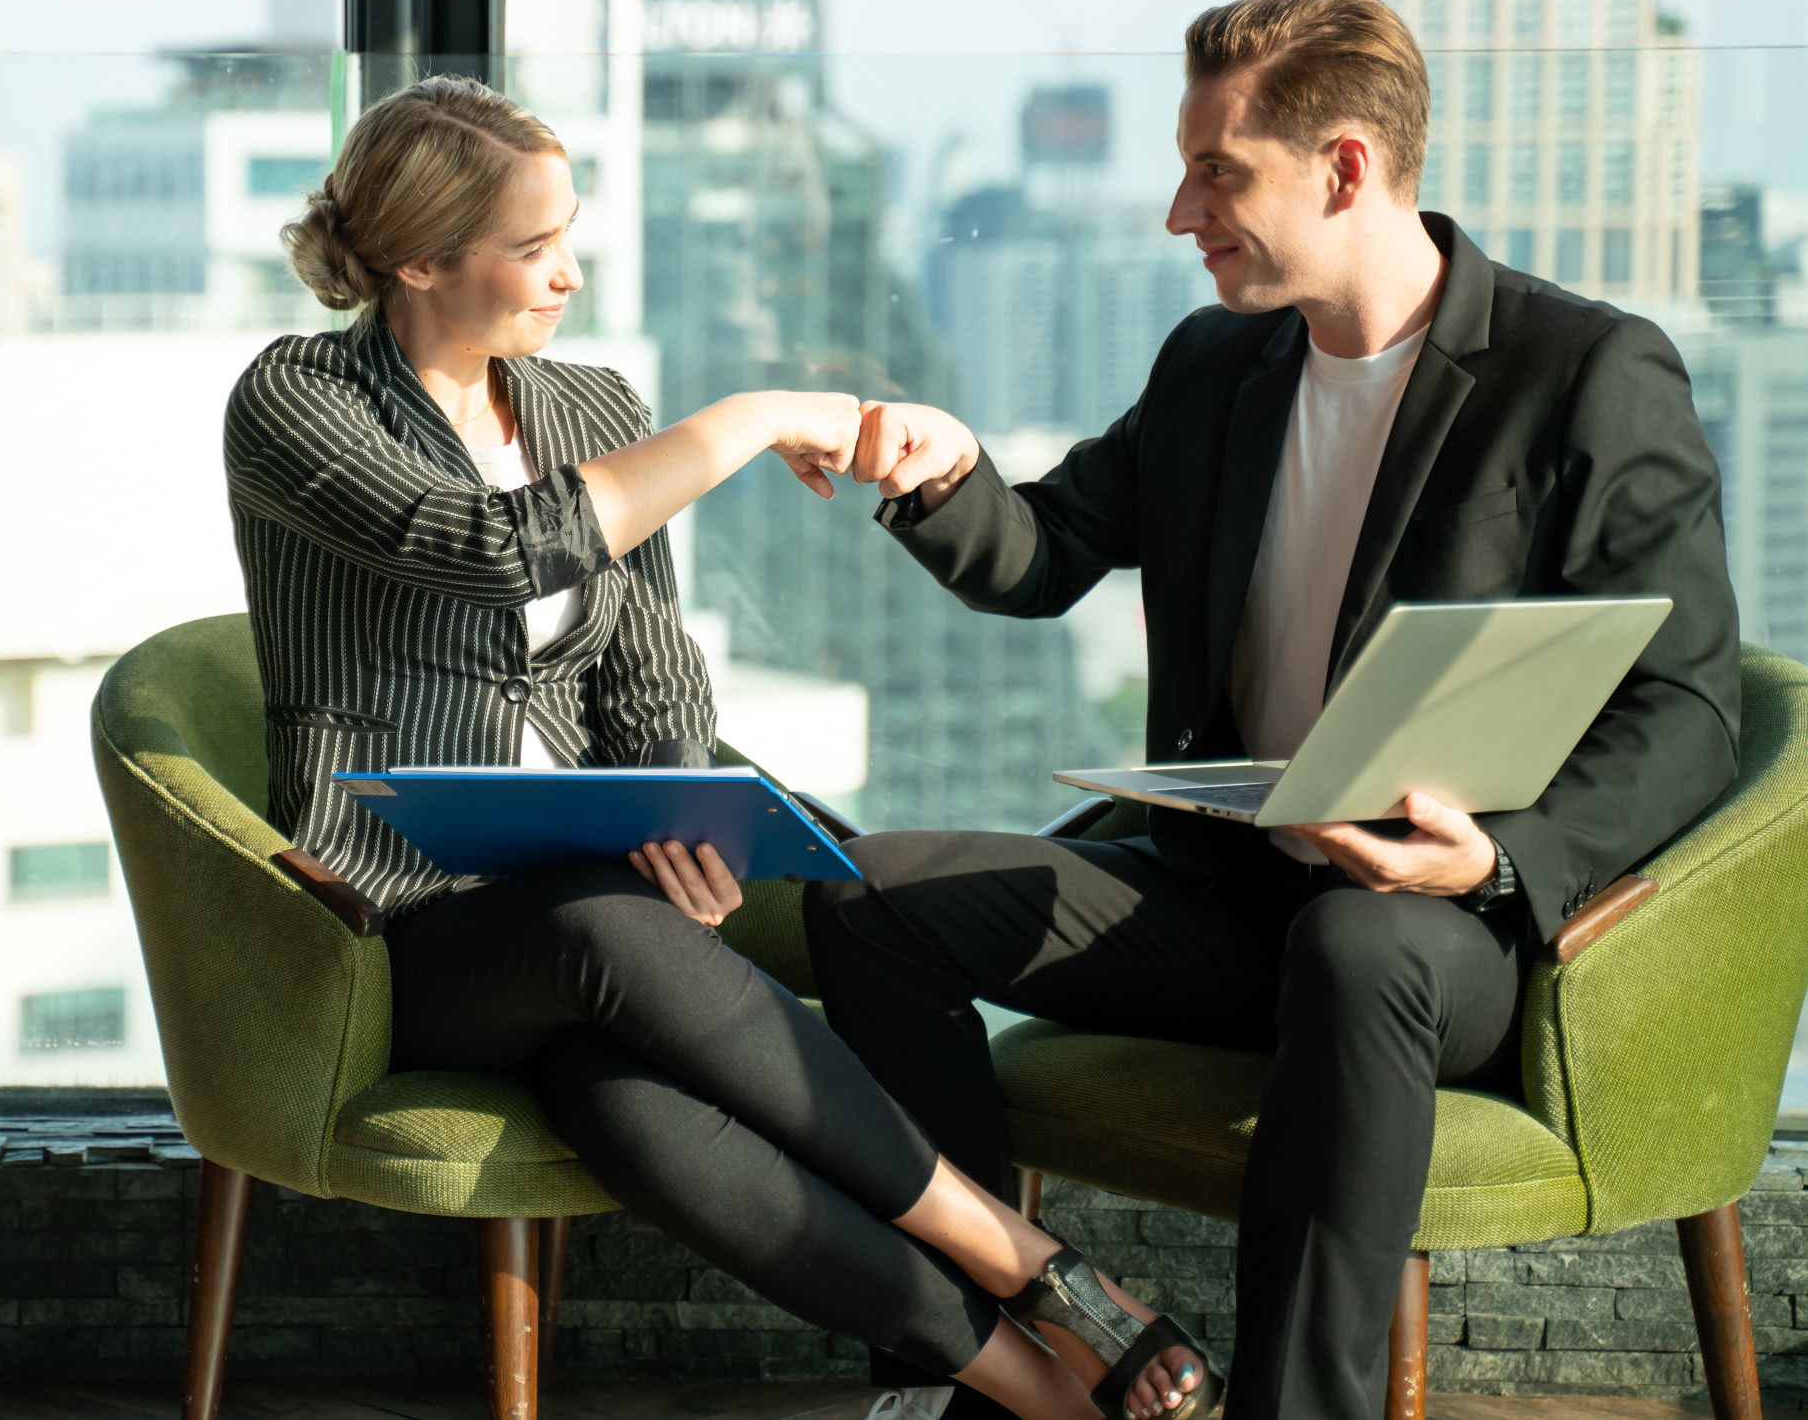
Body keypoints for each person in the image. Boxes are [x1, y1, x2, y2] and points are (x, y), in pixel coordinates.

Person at [225, 73, 1222, 1420]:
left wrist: (682, 815)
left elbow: (648, 679)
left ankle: (1022, 1391)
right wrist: (755, 418)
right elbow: (497, 553)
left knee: (633, 1094)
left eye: (571, 232)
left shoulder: (586, 408)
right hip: (398, 924)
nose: (569, 273)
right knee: (604, 934)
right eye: (536, 246)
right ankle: (1027, 1260)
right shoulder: (294, 398)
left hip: (586, 917)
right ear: (417, 257)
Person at [809, 0, 1743, 1420]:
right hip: (1230, 895)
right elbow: (1047, 551)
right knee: (868, 896)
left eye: (1217, 172)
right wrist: (943, 473)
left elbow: (1686, 706)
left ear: (1347, 168)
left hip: (1441, 931)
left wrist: (1495, 862)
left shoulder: (1586, 375)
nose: (1183, 213)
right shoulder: (1214, 365)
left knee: (1362, 947)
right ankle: (995, 1358)